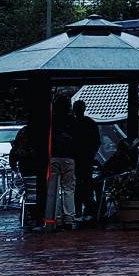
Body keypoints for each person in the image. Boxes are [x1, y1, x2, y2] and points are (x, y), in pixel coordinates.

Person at [45, 96, 78, 230]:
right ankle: (69, 218)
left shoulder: (51, 119)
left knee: (54, 189)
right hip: (69, 157)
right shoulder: (72, 120)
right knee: (68, 189)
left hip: (53, 156)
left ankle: (56, 217)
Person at [72, 99, 100, 220]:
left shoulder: (71, 124)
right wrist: (91, 154)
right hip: (87, 159)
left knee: (75, 185)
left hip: (75, 159)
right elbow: (97, 142)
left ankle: (77, 210)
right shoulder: (90, 123)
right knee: (87, 184)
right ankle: (88, 210)